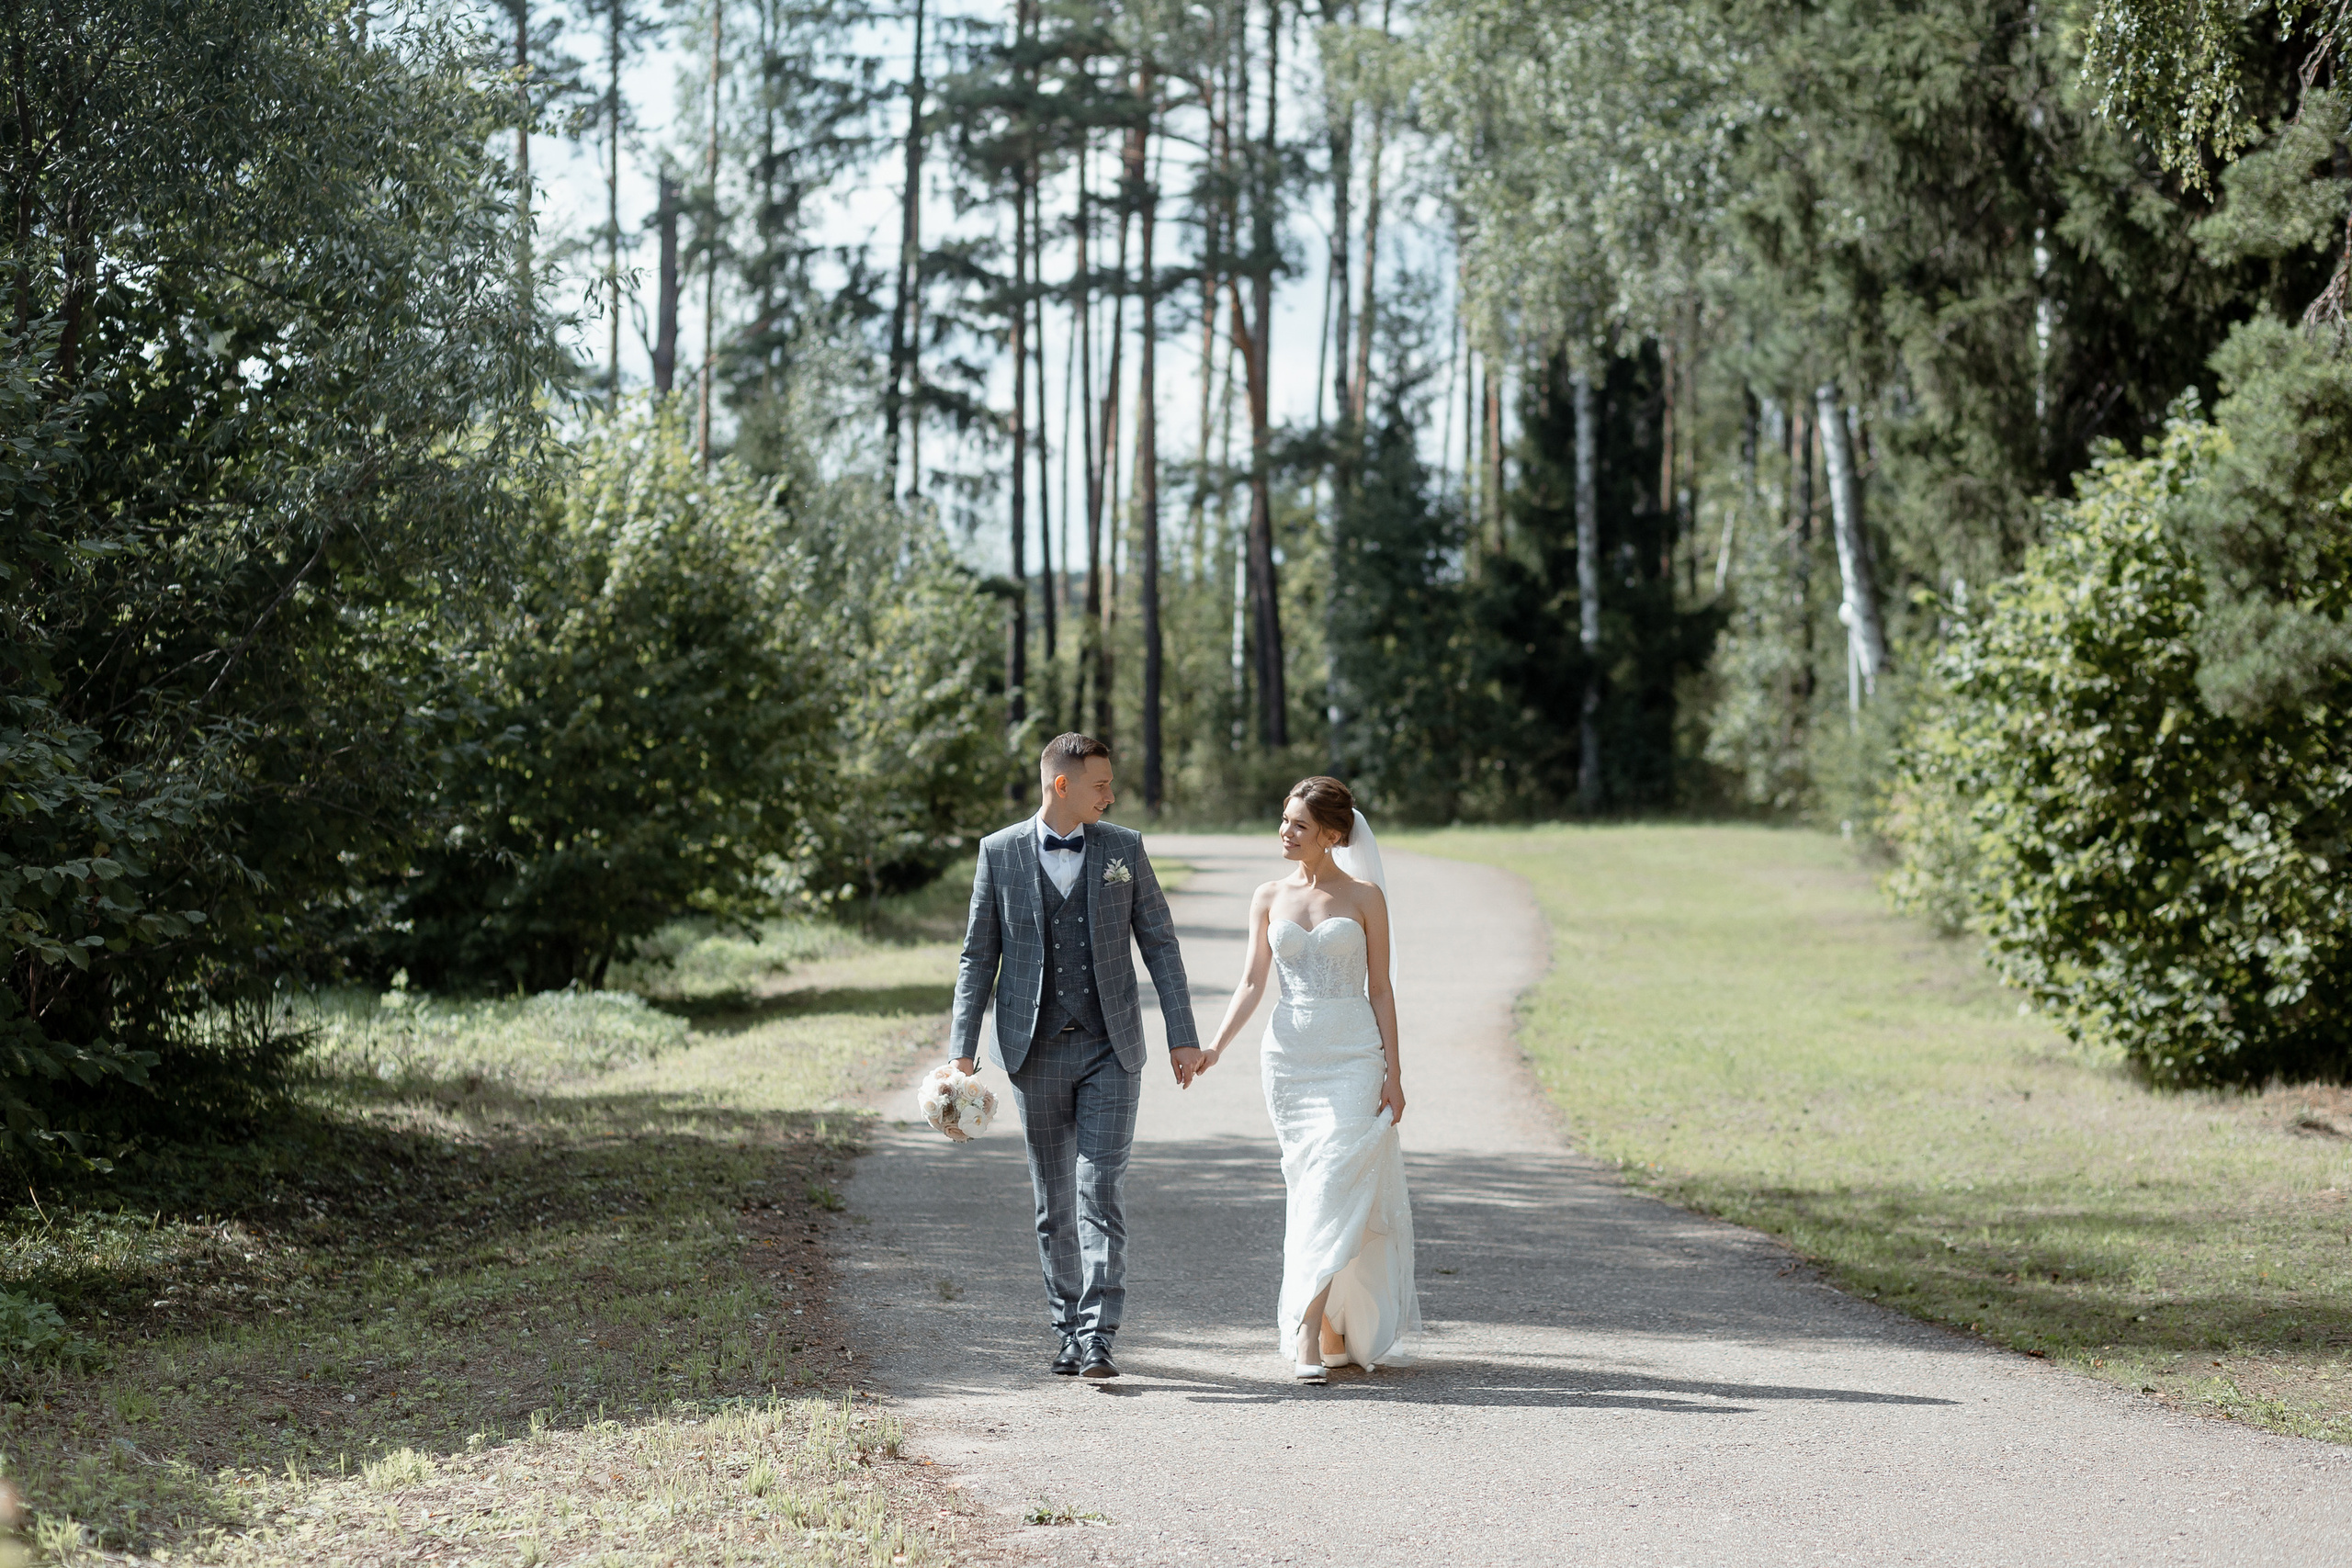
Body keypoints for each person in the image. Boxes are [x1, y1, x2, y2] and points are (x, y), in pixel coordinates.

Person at [945, 733, 1203, 1380]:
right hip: (1032, 1049)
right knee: (1053, 1200)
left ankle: (1098, 1336)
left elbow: (1161, 943)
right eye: (1101, 784)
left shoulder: (1124, 848)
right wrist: (961, 1053)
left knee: (1099, 1187)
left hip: (1110, 1045)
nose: (1111, 795)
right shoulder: (998, 852)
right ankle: (1066, 1328)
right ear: (1062, 785)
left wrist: (1182, 1033)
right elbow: (978, 956)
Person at [1197, 775, 1419, 1382]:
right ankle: (1326, 1327)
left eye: (1299, 824)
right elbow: (1252, 982)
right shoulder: (1268, 895)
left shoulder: (1367, 897)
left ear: (1332, 834)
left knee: (1331, 1184)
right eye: (1285, 819)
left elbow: (1381, 988)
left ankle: (1306, 1329)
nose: (1285, 832)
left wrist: (1394, 1073)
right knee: (1309, 1187)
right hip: (1290, 1062)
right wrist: (1215, 1046)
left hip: (1353, 1056)